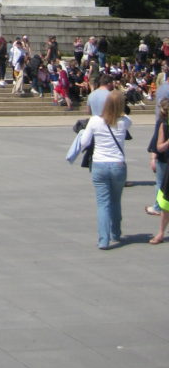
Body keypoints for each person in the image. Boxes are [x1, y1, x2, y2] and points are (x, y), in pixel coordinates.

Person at [78, 90, 130, 249]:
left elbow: (84, 143)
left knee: (103, 203)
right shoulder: (125, 121)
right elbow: (125, 116)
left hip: (99, 164)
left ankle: (103, 240)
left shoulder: (94, 121)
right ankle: (116, 232)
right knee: (116, 200)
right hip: (118, 164)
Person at [146, 97, 169, 222]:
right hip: (164, 157)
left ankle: (157, 207)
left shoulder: (161, 122)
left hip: (163, 157)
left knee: (160, 183)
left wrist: (153, 156)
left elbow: (156, 141)